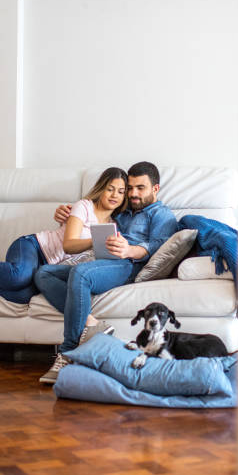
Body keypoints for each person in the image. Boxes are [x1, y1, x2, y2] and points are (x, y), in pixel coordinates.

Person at [36, 161, 178, 384]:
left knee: (80, 273)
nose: (133, 194)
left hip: (126, 264)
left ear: (155, 189)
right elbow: (96, 211)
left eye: (140, 188)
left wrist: (129, 249)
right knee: (43, 273)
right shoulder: (124, 210)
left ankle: (67, 353)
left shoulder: (161, 214)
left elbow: (160, 246)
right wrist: (64, 212)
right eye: (129, 188)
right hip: (101, 260)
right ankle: (92, 324)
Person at [0, 167, 128, 306]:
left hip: (47, 267)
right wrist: (96, 242)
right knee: (19, 275)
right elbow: (69, 245)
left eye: (120, 191)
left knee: (23, 296)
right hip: (33, 247)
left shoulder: (113, 225)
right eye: (110, 189)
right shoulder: (84, 206)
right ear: (101, 188)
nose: (114, 195)